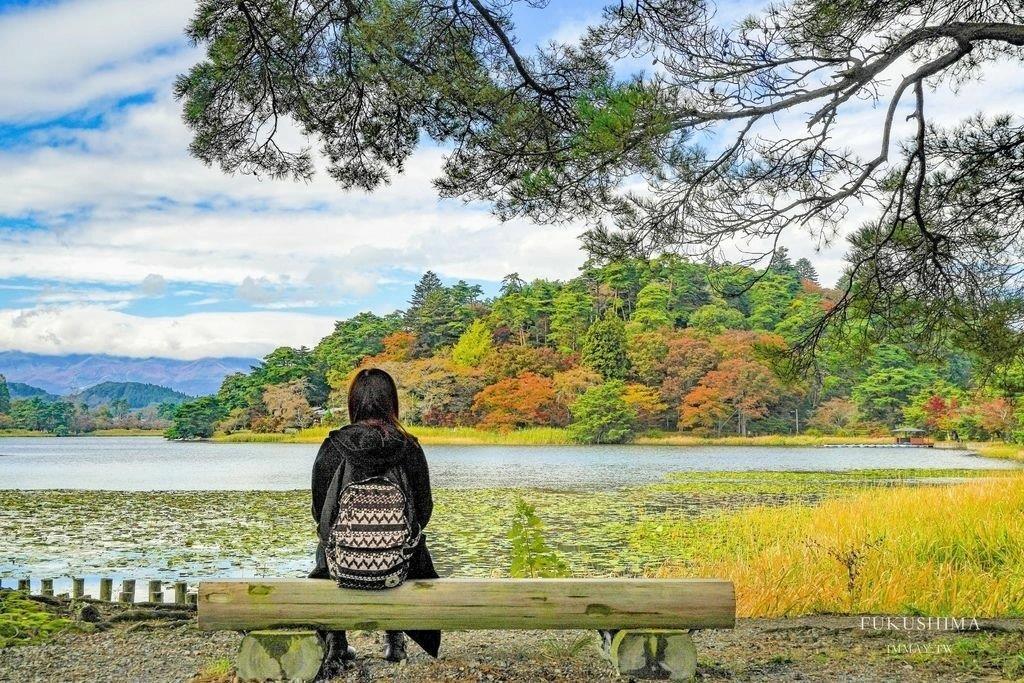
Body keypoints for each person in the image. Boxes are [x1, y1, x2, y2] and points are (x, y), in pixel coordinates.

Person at [309, 368, 441, 680]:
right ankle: (395, 639)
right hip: (400, 565)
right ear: (392, 402)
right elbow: (424, 512)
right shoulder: (409, 446)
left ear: (353, 403)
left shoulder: (333, 446)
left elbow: (320, 512)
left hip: (342, 565)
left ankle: (336, 643)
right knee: (409, 542)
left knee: (326, 546)